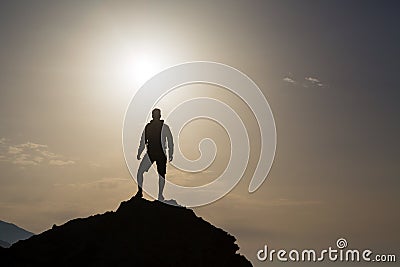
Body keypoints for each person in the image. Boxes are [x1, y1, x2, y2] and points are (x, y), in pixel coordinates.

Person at [135, 108, 174, 200]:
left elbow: (170, 141)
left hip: (160, 153)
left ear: (159, 116)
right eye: (154, 114)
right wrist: (139, 152)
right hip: (151, 153)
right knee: (140, 172)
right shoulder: (149, 127)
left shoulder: (164, 127)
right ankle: (140, 192)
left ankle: (160, 194)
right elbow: (143, 140)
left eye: (156, 114)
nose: (155, 116)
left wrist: (171, 153)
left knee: (161, 175)